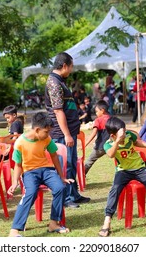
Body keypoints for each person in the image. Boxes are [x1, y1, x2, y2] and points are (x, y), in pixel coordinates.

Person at [98, 116, 146, 237]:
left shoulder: (129, 136)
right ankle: (107, 222)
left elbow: (136, 142)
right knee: (114, 189)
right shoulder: (108, 144)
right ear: (112, 135)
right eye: (122, 132)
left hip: (140, 168)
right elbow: (111, 155)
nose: (125, 134)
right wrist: (117, 141)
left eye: (125, 130)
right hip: (123, 171)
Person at [7, 112, 73, 237]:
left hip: (47, 170)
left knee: (60, 187)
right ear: (37, 129)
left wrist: (62, 176)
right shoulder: (19, 143)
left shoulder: (46, 139)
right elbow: (18, 165)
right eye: (46, 132)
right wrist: (15, 181)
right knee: (31, 193)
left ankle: (54, 223)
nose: (49, 135)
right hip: (29, 172)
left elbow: (54, 156)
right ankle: (14, 230)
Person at [44, 52, 90, 208]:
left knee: (71, 164)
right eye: (70, 67)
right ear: (64, 66)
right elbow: (58, 111)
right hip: (61, 133)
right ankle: (65, 198)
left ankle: (73, 194)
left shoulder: (60, 81)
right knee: (64, 165)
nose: (71, 70)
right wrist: (67, 134)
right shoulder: (54, 83)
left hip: (69, 132)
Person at [84, 100, 111, 175]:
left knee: (89, 161)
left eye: (96, 111)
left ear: (102, 111)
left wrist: (85, 144)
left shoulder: (98, 120)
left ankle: (81, 178)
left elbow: (93, 133)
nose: (96, 113)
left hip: (100, 147)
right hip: (111, 146)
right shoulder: (112, 119)